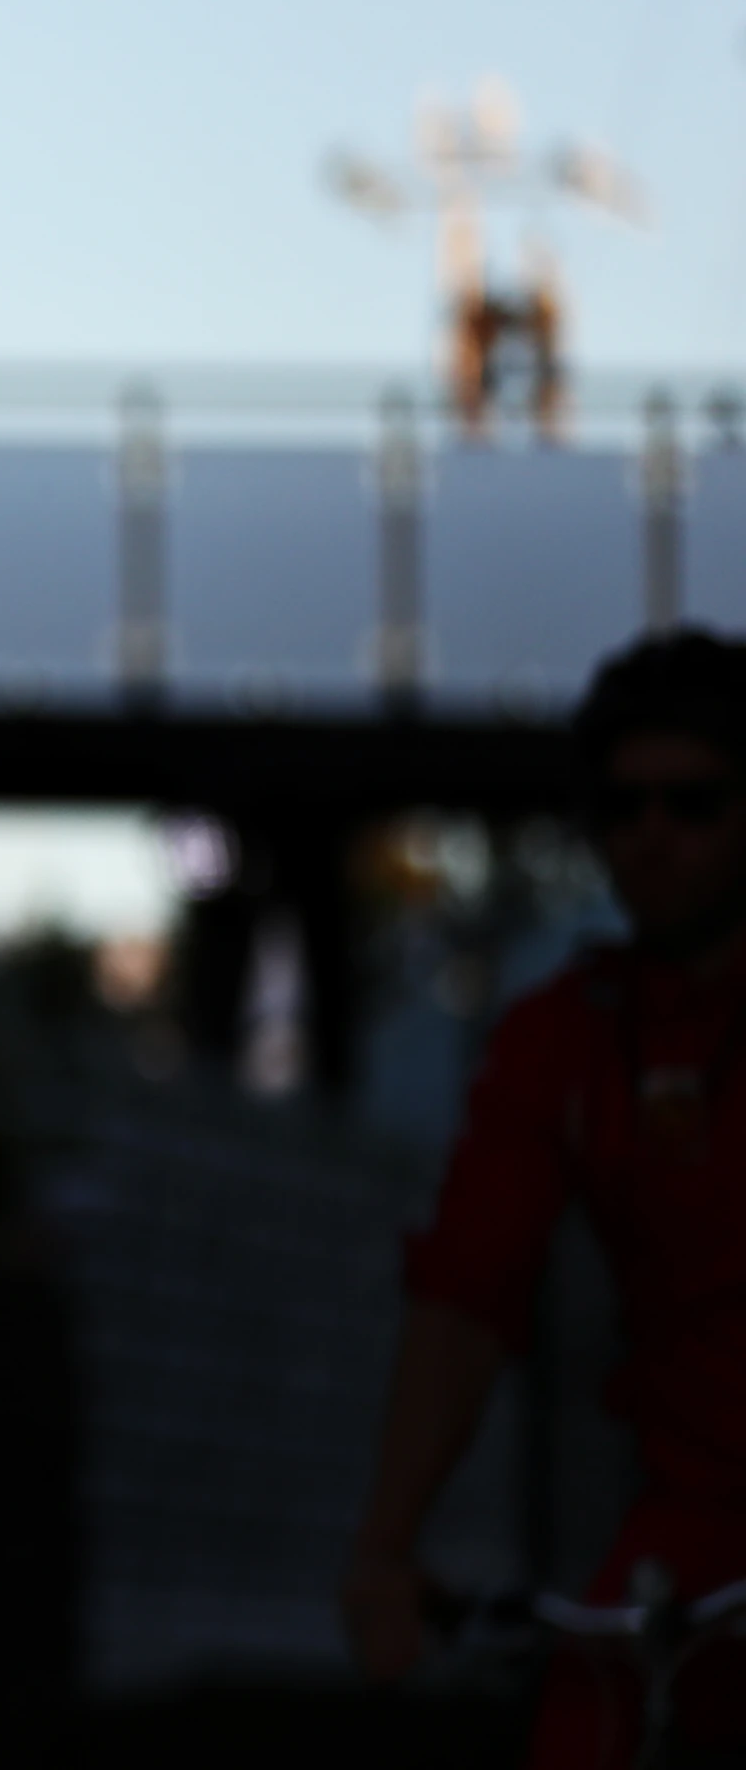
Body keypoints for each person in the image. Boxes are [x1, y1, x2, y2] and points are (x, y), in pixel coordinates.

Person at [345, 632, 746, 1766]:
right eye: (621, 811)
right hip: (691, 1542)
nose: (651, 838)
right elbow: (464, 1297)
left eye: (693, 804)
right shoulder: (567, 1041)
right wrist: (385, 1547)